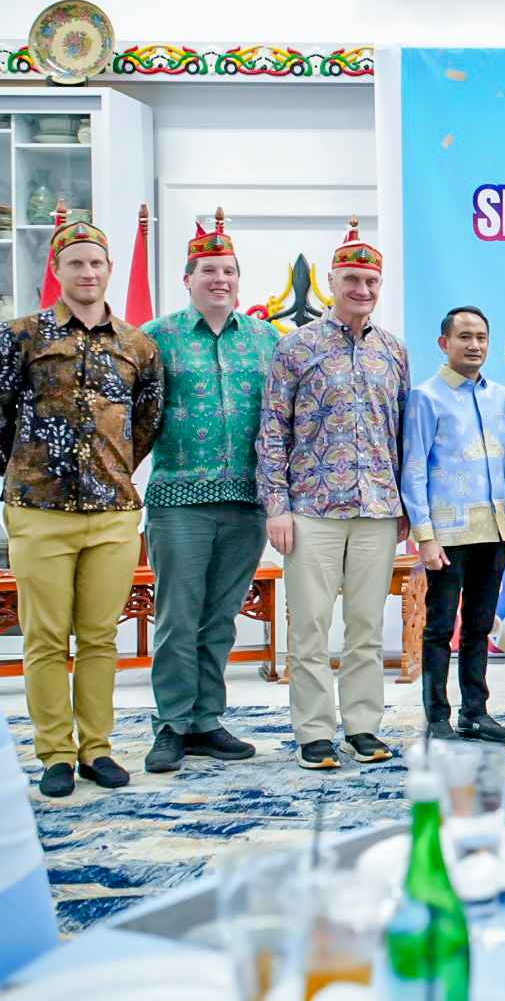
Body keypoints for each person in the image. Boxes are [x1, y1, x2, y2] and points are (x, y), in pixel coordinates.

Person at [0, 219, 163, 797]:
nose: (87, 272)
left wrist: (108, 468)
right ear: (57, 270)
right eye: (75, 263)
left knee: (98, 637)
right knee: (45, 638)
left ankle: (96, 748)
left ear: (109, 270)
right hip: (39, 509)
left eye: (96, 263)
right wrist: (31, 466)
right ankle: (55, 754)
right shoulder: (21, 336)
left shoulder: (138, 346)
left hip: (112, 512)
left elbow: (146, 421)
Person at [258, 219, 408, 770]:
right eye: (352, 280)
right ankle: (315, 733)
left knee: (366, 628)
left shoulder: (393, 351)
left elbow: (402, 433)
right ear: (332, 282)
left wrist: (404, 506)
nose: (362, 290)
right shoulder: (296, 348)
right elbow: (272, 430)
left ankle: (364, 727)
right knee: (312, 628)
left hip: (377, 508)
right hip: (312, 509)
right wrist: (277, 506)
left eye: (371, 281)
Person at [141, 209, 280, 775]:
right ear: (188, 279)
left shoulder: (267, 340)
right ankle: (171, 724)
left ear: (238, 280)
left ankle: (206, 720)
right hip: (179, 501)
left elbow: (282, 420)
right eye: (208, 271)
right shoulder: (156, 338)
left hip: (246, 501)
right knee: (178, 618)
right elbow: (133, 416)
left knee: (220, 618)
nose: (220, 279)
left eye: (228, 271)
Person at [402, 305, 505, 745]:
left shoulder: (499, 396)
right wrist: (425, 537)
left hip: (494, 531)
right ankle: (437, 717)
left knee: (479, 627)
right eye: (464, 337)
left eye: (481, 337)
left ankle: (475, 712)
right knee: (438, 629)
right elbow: (414, 468)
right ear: (444, 343)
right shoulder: (426, 397)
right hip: (447, 535)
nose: (474, 345)